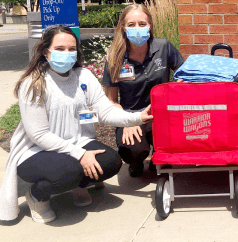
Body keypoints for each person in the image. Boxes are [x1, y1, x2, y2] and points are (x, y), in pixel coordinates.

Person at [0, 25, 153, 223]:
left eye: (72, 49)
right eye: (60, 49)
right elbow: (40, 135)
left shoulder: (84, 76)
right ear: (46, 52)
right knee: (69, 171)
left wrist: (138, 117)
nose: (67, 54)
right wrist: (81, 155)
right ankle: (37, 196)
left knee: (111, 162)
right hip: (36, 150)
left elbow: (105, 111)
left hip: (77, 140)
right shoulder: (34, 83)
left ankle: (79, 185)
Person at [102, 4, 184, 177]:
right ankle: (136, 161)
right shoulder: (114, 57)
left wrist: (176, 88)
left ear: (150, 25)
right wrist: (127, 121)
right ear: (123, 28)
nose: (137, 29)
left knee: (172, 146)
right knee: (131, 150)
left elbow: (182, 74)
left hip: (160, 114)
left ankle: (159, 157)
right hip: (131, 114)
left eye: (142, 24)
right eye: (131, 25)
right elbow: (111, 101)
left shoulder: (164, 47)